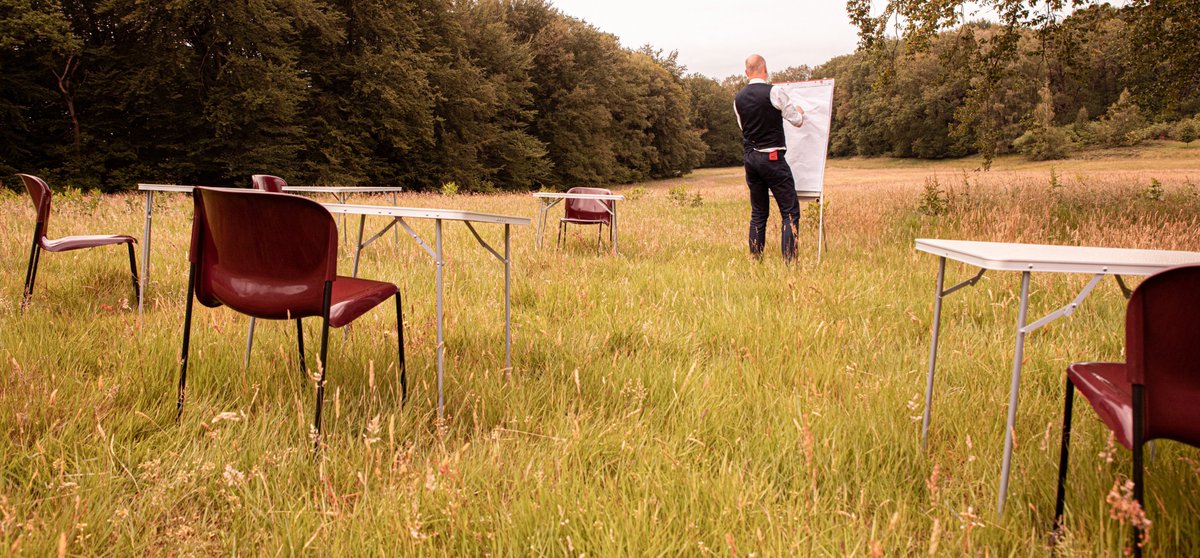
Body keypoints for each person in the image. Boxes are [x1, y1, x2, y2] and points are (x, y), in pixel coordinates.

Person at [734, 54, 805, 261]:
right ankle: (790, 262)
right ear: (765, 69)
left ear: (747, 72)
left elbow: (744, 128)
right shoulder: (774, 92)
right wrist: (800, 111)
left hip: (751, 160)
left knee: (758, 213)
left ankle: (756, 259)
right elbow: (797, 120)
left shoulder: (738, 99)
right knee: (790, 212)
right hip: (772, 158)